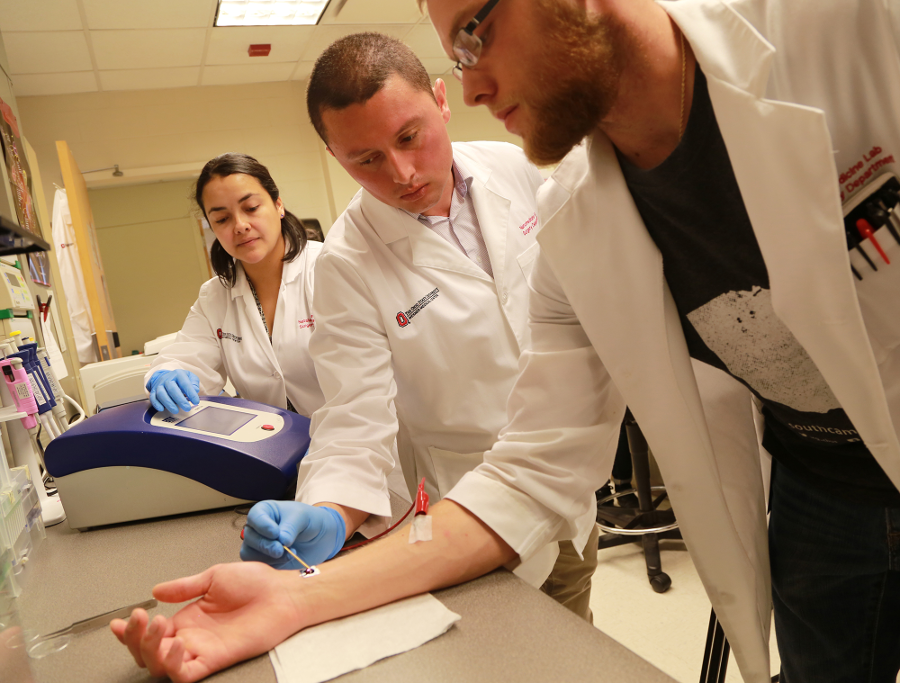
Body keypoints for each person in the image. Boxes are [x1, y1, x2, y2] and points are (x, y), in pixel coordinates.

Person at [113, 1, 900, 682]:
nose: (476, 83)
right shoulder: (577, 211)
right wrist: (303, 581)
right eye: (364, 159)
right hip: (800, 481)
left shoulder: (848, 32)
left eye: (475, 32)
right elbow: (522, 455)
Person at [239, 32, 604, 619]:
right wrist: (331, 511)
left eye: (410, 137)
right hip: (469, 502)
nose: (403, 172)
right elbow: (356, 414)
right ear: (335, 156)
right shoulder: (346, 264)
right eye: (367, 159)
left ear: (441, 100)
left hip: (568, 477)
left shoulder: (514, 167)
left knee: (578, 633)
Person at [144, 153, 324, 419]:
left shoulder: (328, 268)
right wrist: (168, 374)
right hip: (275, 451)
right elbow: (187, 359)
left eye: (251, 208)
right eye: (222, 219)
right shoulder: (215, 296)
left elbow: (365, 374)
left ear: (278, 205)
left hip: (359, 446)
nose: (240, 226)